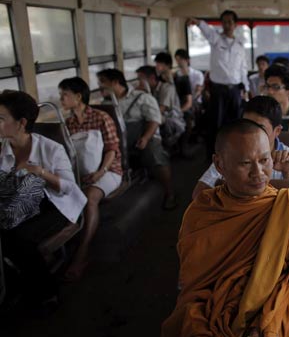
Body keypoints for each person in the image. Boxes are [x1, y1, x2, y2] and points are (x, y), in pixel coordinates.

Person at [160, 119, 289, 337]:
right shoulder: (202, 213)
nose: (258, 172)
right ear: (219, 165)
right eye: (245, 164)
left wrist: (272, 327)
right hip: (215, 317)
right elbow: (192, 292)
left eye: (264, 160)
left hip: (280, 316)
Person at [0, 90, 86, 309]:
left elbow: (68, 187)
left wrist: (40, 172)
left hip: (55, 204)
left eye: (1, 119)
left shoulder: (50, 148)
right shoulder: (3, 150)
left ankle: (47, 292)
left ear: (21, 123)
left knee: (19, 238)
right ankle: (14, 283)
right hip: (17, 206)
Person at [58, 77, 123, 281]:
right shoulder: (67, 124)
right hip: (82, 174)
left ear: (78, 97)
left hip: (109, 170)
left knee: (89, 197)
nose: (61, 98)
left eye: (65, 94)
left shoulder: (101, 117)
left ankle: (82, 253)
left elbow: (112, 149)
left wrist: (99, 173)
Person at [192, 95, 289, 198]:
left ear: (277, 131)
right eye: (245, 163)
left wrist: (287, 172)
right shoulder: (231, 153)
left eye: (260, 128)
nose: (252, 133)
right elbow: (199, 194)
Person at [97, 68, 177, 209]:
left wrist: (145, 138)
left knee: (155, 155)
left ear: (115, 82)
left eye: (103, 82)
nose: (100, 85)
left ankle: (169, 192)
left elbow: (154, 120)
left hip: (144, 136)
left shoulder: (141, 97)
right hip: (118, 140)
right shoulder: (105, 104)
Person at [187, 10, 249, 131]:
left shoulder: (240, 45)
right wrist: (197, 22)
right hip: (218, 89)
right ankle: (215, 148)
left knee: (236, 121)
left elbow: (243, 68)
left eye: (230, 22)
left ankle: (235, 147)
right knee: (216, 121)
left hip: (235, 89)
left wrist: (246, 88)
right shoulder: (216, 40)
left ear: (235, 25)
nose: (227, 25)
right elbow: (207, 31)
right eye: (224, 22)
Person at [136, 65, 186, 147]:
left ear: (152, 78)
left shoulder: (167, 88)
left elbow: (160, 110)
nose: (139, 82)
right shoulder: (148, 89)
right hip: (158, 116)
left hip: (172, 118)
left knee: (149, 123)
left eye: (141, 79)